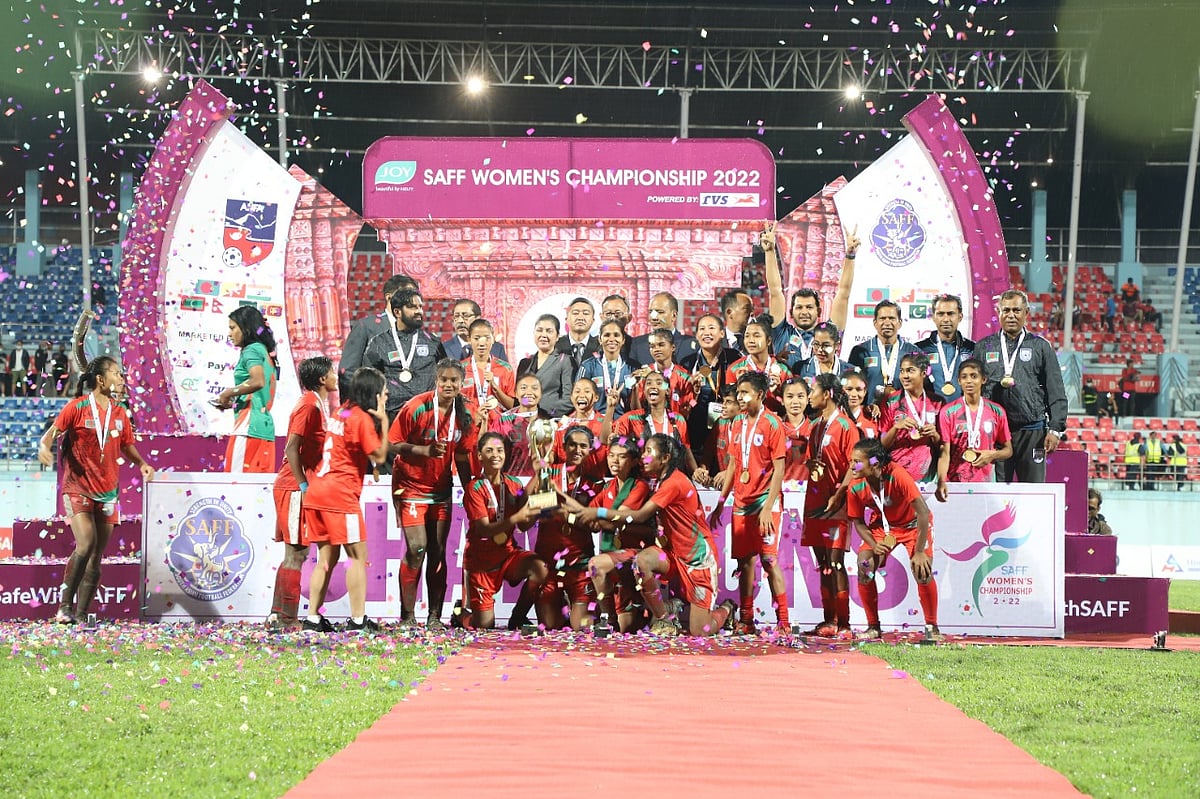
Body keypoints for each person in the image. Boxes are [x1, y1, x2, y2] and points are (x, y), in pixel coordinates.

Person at [563, 434, 736, 637]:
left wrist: (598, 513)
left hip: (696, 558)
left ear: (665, 458)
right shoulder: (656, 481)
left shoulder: (673, 483)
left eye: (648, 451)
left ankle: (727, 609)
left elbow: (639, 515)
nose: (644, 456)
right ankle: (664, 619)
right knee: (641, 561)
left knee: (700, 631)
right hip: (670, 553)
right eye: (643, 451)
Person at [38, 356, 155, 624]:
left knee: (96, 556)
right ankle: (64, 608)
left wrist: (142, 463)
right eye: (116, 374)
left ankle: (80, 615)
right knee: (86, 542)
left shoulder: (120, 412)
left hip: (108, 492)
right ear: (101, 380)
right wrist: (44, 446)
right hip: (77, 487)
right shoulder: (77, 407)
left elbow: (126, 445)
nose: (122, 378)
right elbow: (52, 433)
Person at [389, 358, 478, 629]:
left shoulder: (465, 415)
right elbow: (393, 444)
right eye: (444, 380)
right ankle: (407, 617)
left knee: (438, 551)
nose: (449, 385)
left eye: (454, 380)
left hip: (441, 490)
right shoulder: (416, 407)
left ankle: (434, 617)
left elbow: (461, 456)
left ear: (461, 383)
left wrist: (469, 489)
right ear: (436, 380)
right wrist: (423, 451)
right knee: (417, 548)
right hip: (410, 486)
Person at [301, 366, 391, 634]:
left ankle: (312, 618)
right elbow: (379, 455)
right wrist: (384, 421)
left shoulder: (342, 411)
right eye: (383, 391)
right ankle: (358, 620)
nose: (386, 395)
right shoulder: (360, 418)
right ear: (373, 393)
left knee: (326, 557)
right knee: (357, 557)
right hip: (339, 496)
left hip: (317, 491)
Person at [709, 373, 788, 634]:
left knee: (769, 560)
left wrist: (768, 507)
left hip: (765, 502)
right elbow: (733, 464)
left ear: (760, 395)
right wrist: (722, 501)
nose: (740, 397)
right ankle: (746, 619)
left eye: (745, 393)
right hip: (741, 502)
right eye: (738, 393)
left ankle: (784, 622)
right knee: (744, 562)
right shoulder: (736, 422)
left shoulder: (773, 423)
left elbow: (779, 469)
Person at [845, 438, 942, 642]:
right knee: (864, 565)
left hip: (913, 525)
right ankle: (873, 627)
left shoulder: (897, 474)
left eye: (857, 462)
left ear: (875, 464)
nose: (852, 466)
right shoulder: (855, 486)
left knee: (922, 570)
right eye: (851, 461)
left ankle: (932, 628)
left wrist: (919, 551)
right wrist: (874, 545)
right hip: (882, 527)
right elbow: (858, 522)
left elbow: (923, 512)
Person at [267, 356, 336, 629]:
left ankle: (277, 616)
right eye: (332, 372)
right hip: (295, 486)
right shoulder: (308, 405)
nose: (336, 376)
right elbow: (291, 448)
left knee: (294, 553)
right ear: (322, 378)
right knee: (297, 553)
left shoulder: (316, 403)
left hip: (298, 484)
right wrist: (304, 485)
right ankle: (287, 619)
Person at [973, 290, 1068, 483]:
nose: (1011, 315)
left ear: (1026, 312)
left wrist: (1055, 428)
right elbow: (973, 389)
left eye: (1016, 310)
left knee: (1033, 491)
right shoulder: (983, 347)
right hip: (995, 433)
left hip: (1033, 432)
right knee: (998, 493)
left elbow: (1055, 389)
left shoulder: (1040, 346)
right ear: (998, 312)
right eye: (1006, 310)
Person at [461, 432, 548, 629]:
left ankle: (518, 617)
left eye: (500, 450)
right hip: (481, 562)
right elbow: (483, 529)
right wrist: (516, 517)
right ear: (479, 455)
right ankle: (461, 615)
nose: (495, 455)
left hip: (508, 555)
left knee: (540, 568)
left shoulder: (514, 484)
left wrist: (539, 478)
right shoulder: (474, 488)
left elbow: (524, 523)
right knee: (484, 625)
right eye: (489, 450)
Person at [800, 373, 860, 638]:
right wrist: (811, 464)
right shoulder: (815, 426)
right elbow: (811, 459)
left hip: (837, 503)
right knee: (823, 562)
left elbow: (855, 465)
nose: (809, 396)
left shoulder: (846, 426)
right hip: (815, 500)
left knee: (836, 562)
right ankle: (829, 620)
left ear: (827, 394)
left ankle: (845, 624)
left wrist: (840, 493)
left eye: (813, 391)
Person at [529, 424, 603, 630]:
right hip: (549, 564)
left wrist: (560, 509)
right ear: (563, 447)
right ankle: (559, 603)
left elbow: (594, 525)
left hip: (580, 565)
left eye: (583, 446)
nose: (577, 450)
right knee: (550, 625)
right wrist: (538, 475)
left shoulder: (596, 483)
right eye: (572, 445)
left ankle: (575, 604)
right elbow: (529, 506)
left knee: (582, 628)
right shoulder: (548, 472)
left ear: (590, 449)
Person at [765, 221, 859, 369]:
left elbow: (843, 293)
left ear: (819, 311)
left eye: (809, 307)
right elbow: (775, 291)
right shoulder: (781, 333)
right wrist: (770, 251)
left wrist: (850, 255)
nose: (804, 312)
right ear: (791, 311)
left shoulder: (829, 332)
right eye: (799, 307)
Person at [585, 436, 654, 633]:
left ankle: (610, 619)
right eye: (611, 455)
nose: (614, 461)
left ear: (633, 461)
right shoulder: (608, 487)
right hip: (614, 557)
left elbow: (618, 518)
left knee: (595, 565)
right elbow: (590, 517)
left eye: (622, 456)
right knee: (622, 629)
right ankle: (611, 618)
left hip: (636, 553)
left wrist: (596, 519)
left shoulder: (639, 486)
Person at [935, 359, 1013, 501]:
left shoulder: (997, 411)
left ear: (983, 379)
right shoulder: (948, 412)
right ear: (959, 381)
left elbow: (1008, 450)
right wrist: (941, 481)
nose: (969, 381)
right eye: (964, 377)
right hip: (954, 484)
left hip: (985, 485)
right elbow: (944, 452)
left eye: (974, 376)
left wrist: (992, 455)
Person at [364, 288, 446, 420]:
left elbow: (445, 373)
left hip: (428, 413)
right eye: (412, 307)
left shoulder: (433, 342)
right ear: (397, 312)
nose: (419, 311)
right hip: (393, 415)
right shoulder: (379, 343)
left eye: (420, 307)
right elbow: (369, 381)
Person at [214, 305, 279, 474]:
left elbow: (258, 381)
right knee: (256, 488)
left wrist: (228, 393)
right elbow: (260, 392)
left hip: (248, 429)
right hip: (264, 430)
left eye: (233, 328)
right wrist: (234, 401)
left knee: (236, 485)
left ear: (246, 328)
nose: (229, 334)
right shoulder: (265, 352)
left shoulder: (251, 350)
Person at [339, 274, 417, 393]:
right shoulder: (366, 327)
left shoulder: (417, 332)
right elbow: (348, 371)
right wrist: (366, 398)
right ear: (389, 297)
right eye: (407, 295)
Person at [611, 371, 697, 475]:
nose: (653, 386)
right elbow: (605, 439)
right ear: (644, 391)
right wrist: (610, 408)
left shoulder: (678, 419)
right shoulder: (632, 418)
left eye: (659, 383)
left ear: (667, 391)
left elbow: (686, 450)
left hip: (672, 479)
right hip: (643, 479)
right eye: (648, 383)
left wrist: (696, 471)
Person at [680, 313, 739, 465]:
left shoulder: (734, 358)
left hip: (727, 427)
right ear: (696, 335)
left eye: (711, 328)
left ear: (722, 333)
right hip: (696, 428)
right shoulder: (688, 362)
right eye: (702, 329)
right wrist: (692, 392)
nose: (706, 332)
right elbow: (682, 399)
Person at [879, 352, 944, 483]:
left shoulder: (937, 402)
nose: (905, 376)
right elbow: (882, 444)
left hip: (927, 477)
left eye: (910, 370)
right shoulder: (890, 401)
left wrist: (935, 435)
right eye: (902, 371)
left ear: (924, 373)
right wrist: (895, 428)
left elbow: (944, 447)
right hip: (896, 474)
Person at [847, 301, 920, 410]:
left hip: (903, 414)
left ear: (900, 323)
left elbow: (919, 387)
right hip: (869, 413)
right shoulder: (860, 351)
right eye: (882, 318)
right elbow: (851, 385)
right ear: (875, 323)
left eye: (892, 318)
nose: (887, 322)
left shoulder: (913, 352)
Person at [915, 294, 976, 402]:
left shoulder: (973, 348)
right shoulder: (919, 349)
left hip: (963, 410)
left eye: (951, 314)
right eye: (940, 314)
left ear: (960, 317)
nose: (946, 319)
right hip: (930, 410)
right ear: (933, 317)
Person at [486, 373, 549, 476]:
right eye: (523, 388)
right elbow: (489, 449)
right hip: (510, 481)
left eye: (534, 388)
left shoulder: (548, 424)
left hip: (539, 482)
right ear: (516, 393)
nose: (529, 392)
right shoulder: (503, 423)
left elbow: (550, 459)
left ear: (541, 394)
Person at [724, 315, 789, 412]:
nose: (751, 341)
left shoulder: (783, 370)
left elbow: (790, 406)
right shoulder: (734, 370)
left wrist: (777, 392)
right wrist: (739, 388)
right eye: (747, 336)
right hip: (744, 420)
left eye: (756, 336)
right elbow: (731, 406)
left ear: (768, 341)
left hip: (774, 419)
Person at [577, 319, 639, 416]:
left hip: (624, 421)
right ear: (600, 339)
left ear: (623, 340)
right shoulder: (587, 366)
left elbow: (637, 409)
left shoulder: (633, 368)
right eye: (607, 335)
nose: (611, 339)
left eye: (616, 335)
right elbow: (578, 398)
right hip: (595, 421)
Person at [515, 313, 573, 416]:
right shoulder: (525, 363)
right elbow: (519, 398)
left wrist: (545, 414)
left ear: (557, 336)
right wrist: (527, 408)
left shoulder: (565, 361)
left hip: (552, 419)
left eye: (549, 331)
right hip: (526, 418)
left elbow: (569, 400)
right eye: (539, 330)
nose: (543, 335)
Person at [630, 328, 695, 416]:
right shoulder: (643, 375)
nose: (656, 349)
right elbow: (635, 410)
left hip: (676, 422)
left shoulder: (685, 376)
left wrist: (695, 395)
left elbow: (692, 403)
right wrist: (635, 388)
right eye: (652, 346)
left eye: (661, 345)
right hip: (648, 422)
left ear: (673, 347)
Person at [460, 318, 516, 412]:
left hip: (498, 421)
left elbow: (512, 406)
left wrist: (495, 387)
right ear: (469, 339)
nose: (482, 343)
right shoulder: (460, 369)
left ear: (493, 339)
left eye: (487, 338)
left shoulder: (506, 369)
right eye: (476, 338)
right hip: (469, 421)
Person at [630, 291, 698, 364]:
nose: (653, 318)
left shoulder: (691, 345)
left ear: (674, 315)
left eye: (660, 312)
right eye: (650, 312)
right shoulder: (636, 344)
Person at [441, 299, 508, 361]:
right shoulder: (443, 349)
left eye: (465, 316)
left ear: (477, 318)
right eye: (456, 316)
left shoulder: (496, 349)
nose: (460, 321)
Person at [779, 377, 812, 485]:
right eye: (790, 396)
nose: (795, 401)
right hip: (780, 488)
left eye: (800, 396)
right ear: (782, 400)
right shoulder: (775, 428)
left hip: (810, 489)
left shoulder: (815, 428)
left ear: (808, 399)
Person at [555, 296, 600, 371]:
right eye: (575, 313)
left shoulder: (600, 346)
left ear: (593, 320)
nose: (580, 318)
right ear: (566, 319)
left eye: (586, 313)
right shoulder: (555, 346)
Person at [842, 368, 878, 440]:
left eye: (859, 389)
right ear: (841, 390)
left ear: (865, 391)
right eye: (849, 389)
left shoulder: (872, 417)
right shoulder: (833, 417)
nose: (854, 394)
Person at [719, 288, 754, 355]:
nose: (752, 313)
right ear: (729, 312)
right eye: (747, 308)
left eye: (752, 309)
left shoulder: (759, 340)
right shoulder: (715, 342)